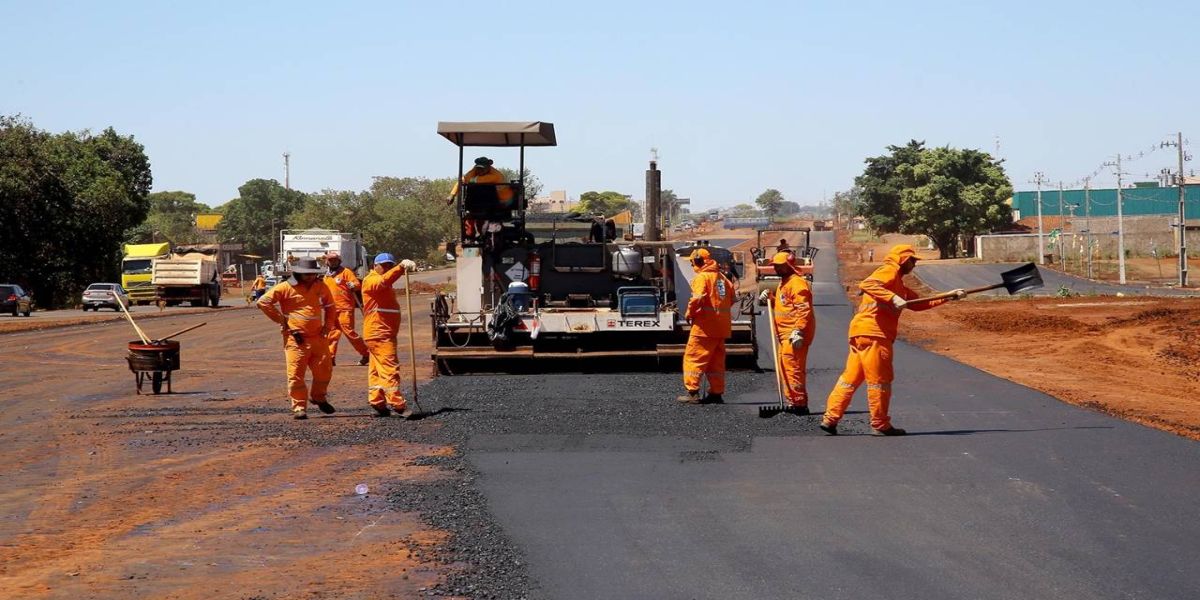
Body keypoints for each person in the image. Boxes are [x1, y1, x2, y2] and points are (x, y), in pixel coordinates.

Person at [820, 245, 965, 436]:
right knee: (879, 381)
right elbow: (867, 284)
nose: (914, 265)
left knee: (850, 380)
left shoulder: (898, 284)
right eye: (912, 260)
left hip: (861, 334)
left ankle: (830, 419)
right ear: (903, 259)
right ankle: (879, 424)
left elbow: (920, 303)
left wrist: (948, 296)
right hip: (875, 335)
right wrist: (893, 298)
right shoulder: (889, 271)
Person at [257, 258, 338, 420]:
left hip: (318, 337)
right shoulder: (286, 287)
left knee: (324, 371)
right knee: (296, 374)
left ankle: (319, 397)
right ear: (298, 273)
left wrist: (328, 327)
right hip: (296, 339)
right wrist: (282, 321)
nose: (309, 277)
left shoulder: (320, 286)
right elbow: (263, 302)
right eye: (306, 274)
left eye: (312, 274)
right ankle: (299, 406)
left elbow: (330, 307)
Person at [361, 253, 419, 419]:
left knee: (376, 370)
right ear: (375, 265)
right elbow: (384, 280)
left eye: (389, 266)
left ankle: (377, 401)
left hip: (380, 333)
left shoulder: (383, 284)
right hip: (380, 333)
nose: (386, 268)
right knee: (389, 369)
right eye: (384, 265)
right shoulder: (371, 280)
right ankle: (398, 404)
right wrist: (400, 268)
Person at [678, 247, 735, 405]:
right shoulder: (722, 278)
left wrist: (690, 313)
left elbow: (697, 298)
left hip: (704, 327)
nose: (692, 267)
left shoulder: (702, 278)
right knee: (715, 362)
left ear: (698, 261)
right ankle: (716, 393)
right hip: (721, 327)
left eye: (692, 263)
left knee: (693, 358)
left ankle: (693, 392)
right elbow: (732, 298)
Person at [759, 251, 815, 414]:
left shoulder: (797, 283)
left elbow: (803, 309)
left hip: (794, 334)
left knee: (793, 368)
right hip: (785, 335)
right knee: (786, 367)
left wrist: (799, 331)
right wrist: (770, 298)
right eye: (775, 266)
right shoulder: (784, 282)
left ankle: (799, 404)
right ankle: (792, 401)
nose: (775, 269)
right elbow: (785, 306)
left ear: (788, 266)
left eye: (778, 266)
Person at [446, 156, 514, 243]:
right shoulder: (476, 171)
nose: (479, 171)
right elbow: (463, 180)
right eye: (478, 168)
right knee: (471, 216)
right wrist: (452, 194)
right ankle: (470, 237)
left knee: (483, 216)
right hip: (484, 203)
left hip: (503, 202)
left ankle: (486, 234)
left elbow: (471, 180)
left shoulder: (496, 176)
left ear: (489, 167)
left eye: (482, 169)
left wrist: (469, 179)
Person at [322, 251, 370, 367]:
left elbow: (357, 284)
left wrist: (353, 285)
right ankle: (331, 357)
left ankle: (366, 354)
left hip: (345, 308)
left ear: (339, 261)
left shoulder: (345, 272)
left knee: (349, 332)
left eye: (335, 260)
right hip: (331, 309)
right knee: (332, 334)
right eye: (330, 260)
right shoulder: (326, 276)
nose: (333, 262)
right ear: (327, 262)